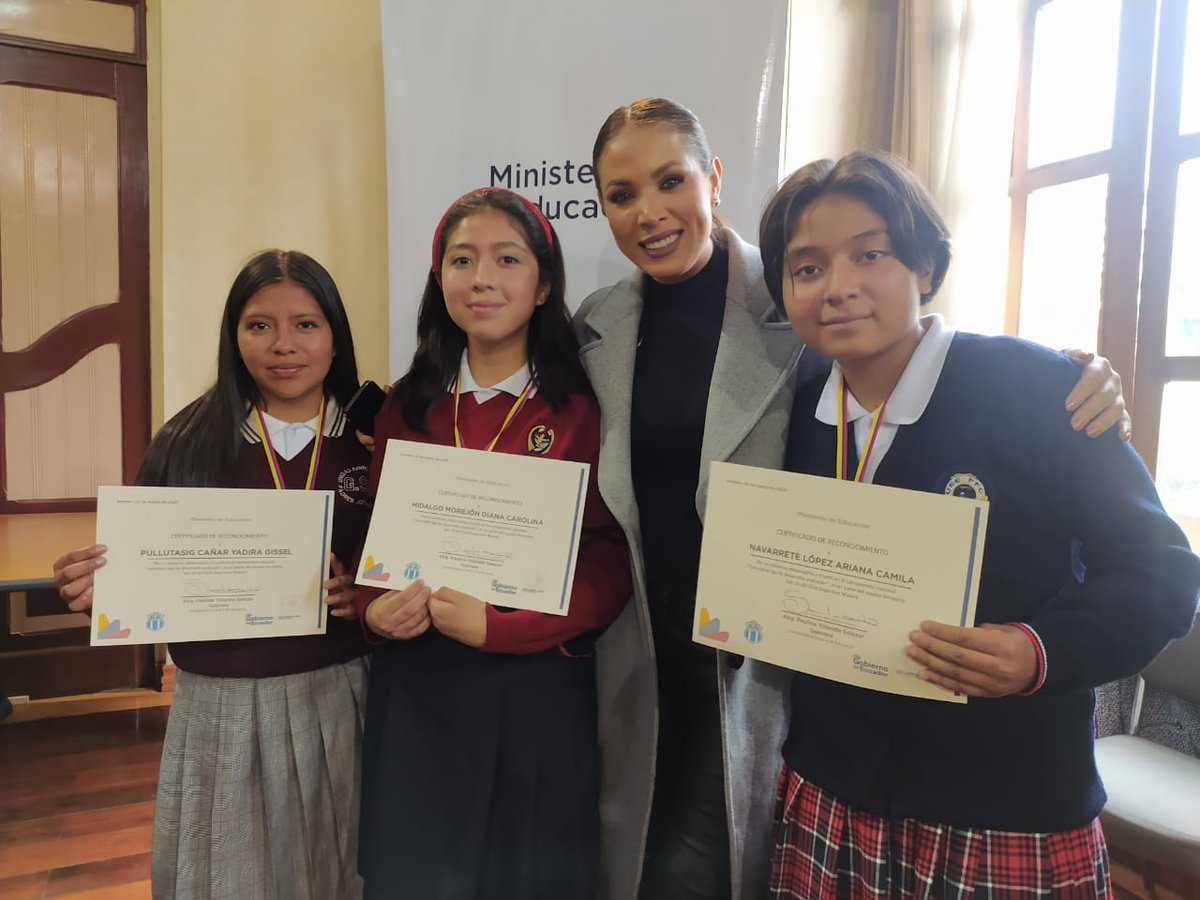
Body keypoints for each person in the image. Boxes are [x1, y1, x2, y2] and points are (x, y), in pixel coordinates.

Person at [575, 97, 1134, 900]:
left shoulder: (798, 306)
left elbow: (913, 360)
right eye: (621, 194)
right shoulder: (597, 323)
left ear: (713, 178)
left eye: (671, 179)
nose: (651, 212)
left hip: (769, 672)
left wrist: (1067, 377)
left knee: (697, 872)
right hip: (648, 658)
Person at [758, 150, 1200, 898]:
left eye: (870, 255)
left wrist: (1039, 652)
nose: (838, 288)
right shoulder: (794, 415)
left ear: (925, 267)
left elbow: (1161, 573)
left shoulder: (1038, 389)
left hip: (1002, 804)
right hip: (832, 790)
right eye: (806, 269)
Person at [52, 250, 371, 900]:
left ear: (335, 337)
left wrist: (362, 593)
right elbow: (142, 576)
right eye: (259, 326)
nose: (283, 345)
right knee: (227, 877)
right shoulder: (188, 440)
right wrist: (98, 590)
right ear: (233, 336)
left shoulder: (375, 439)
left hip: (340, 695)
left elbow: (406, 564)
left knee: (341, 869)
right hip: (219, 704)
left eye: (306, 325)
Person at [354, 187, 631, 899]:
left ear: (543, 285)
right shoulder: (407, 403)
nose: (481, 279)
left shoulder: (584, 407)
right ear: (438, 279)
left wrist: (507, 626)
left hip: (535, 689)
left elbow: (608, 559)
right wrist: (373, 611)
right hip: (419, 690)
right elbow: (376, 542)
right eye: (461, 259)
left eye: (507, 260)